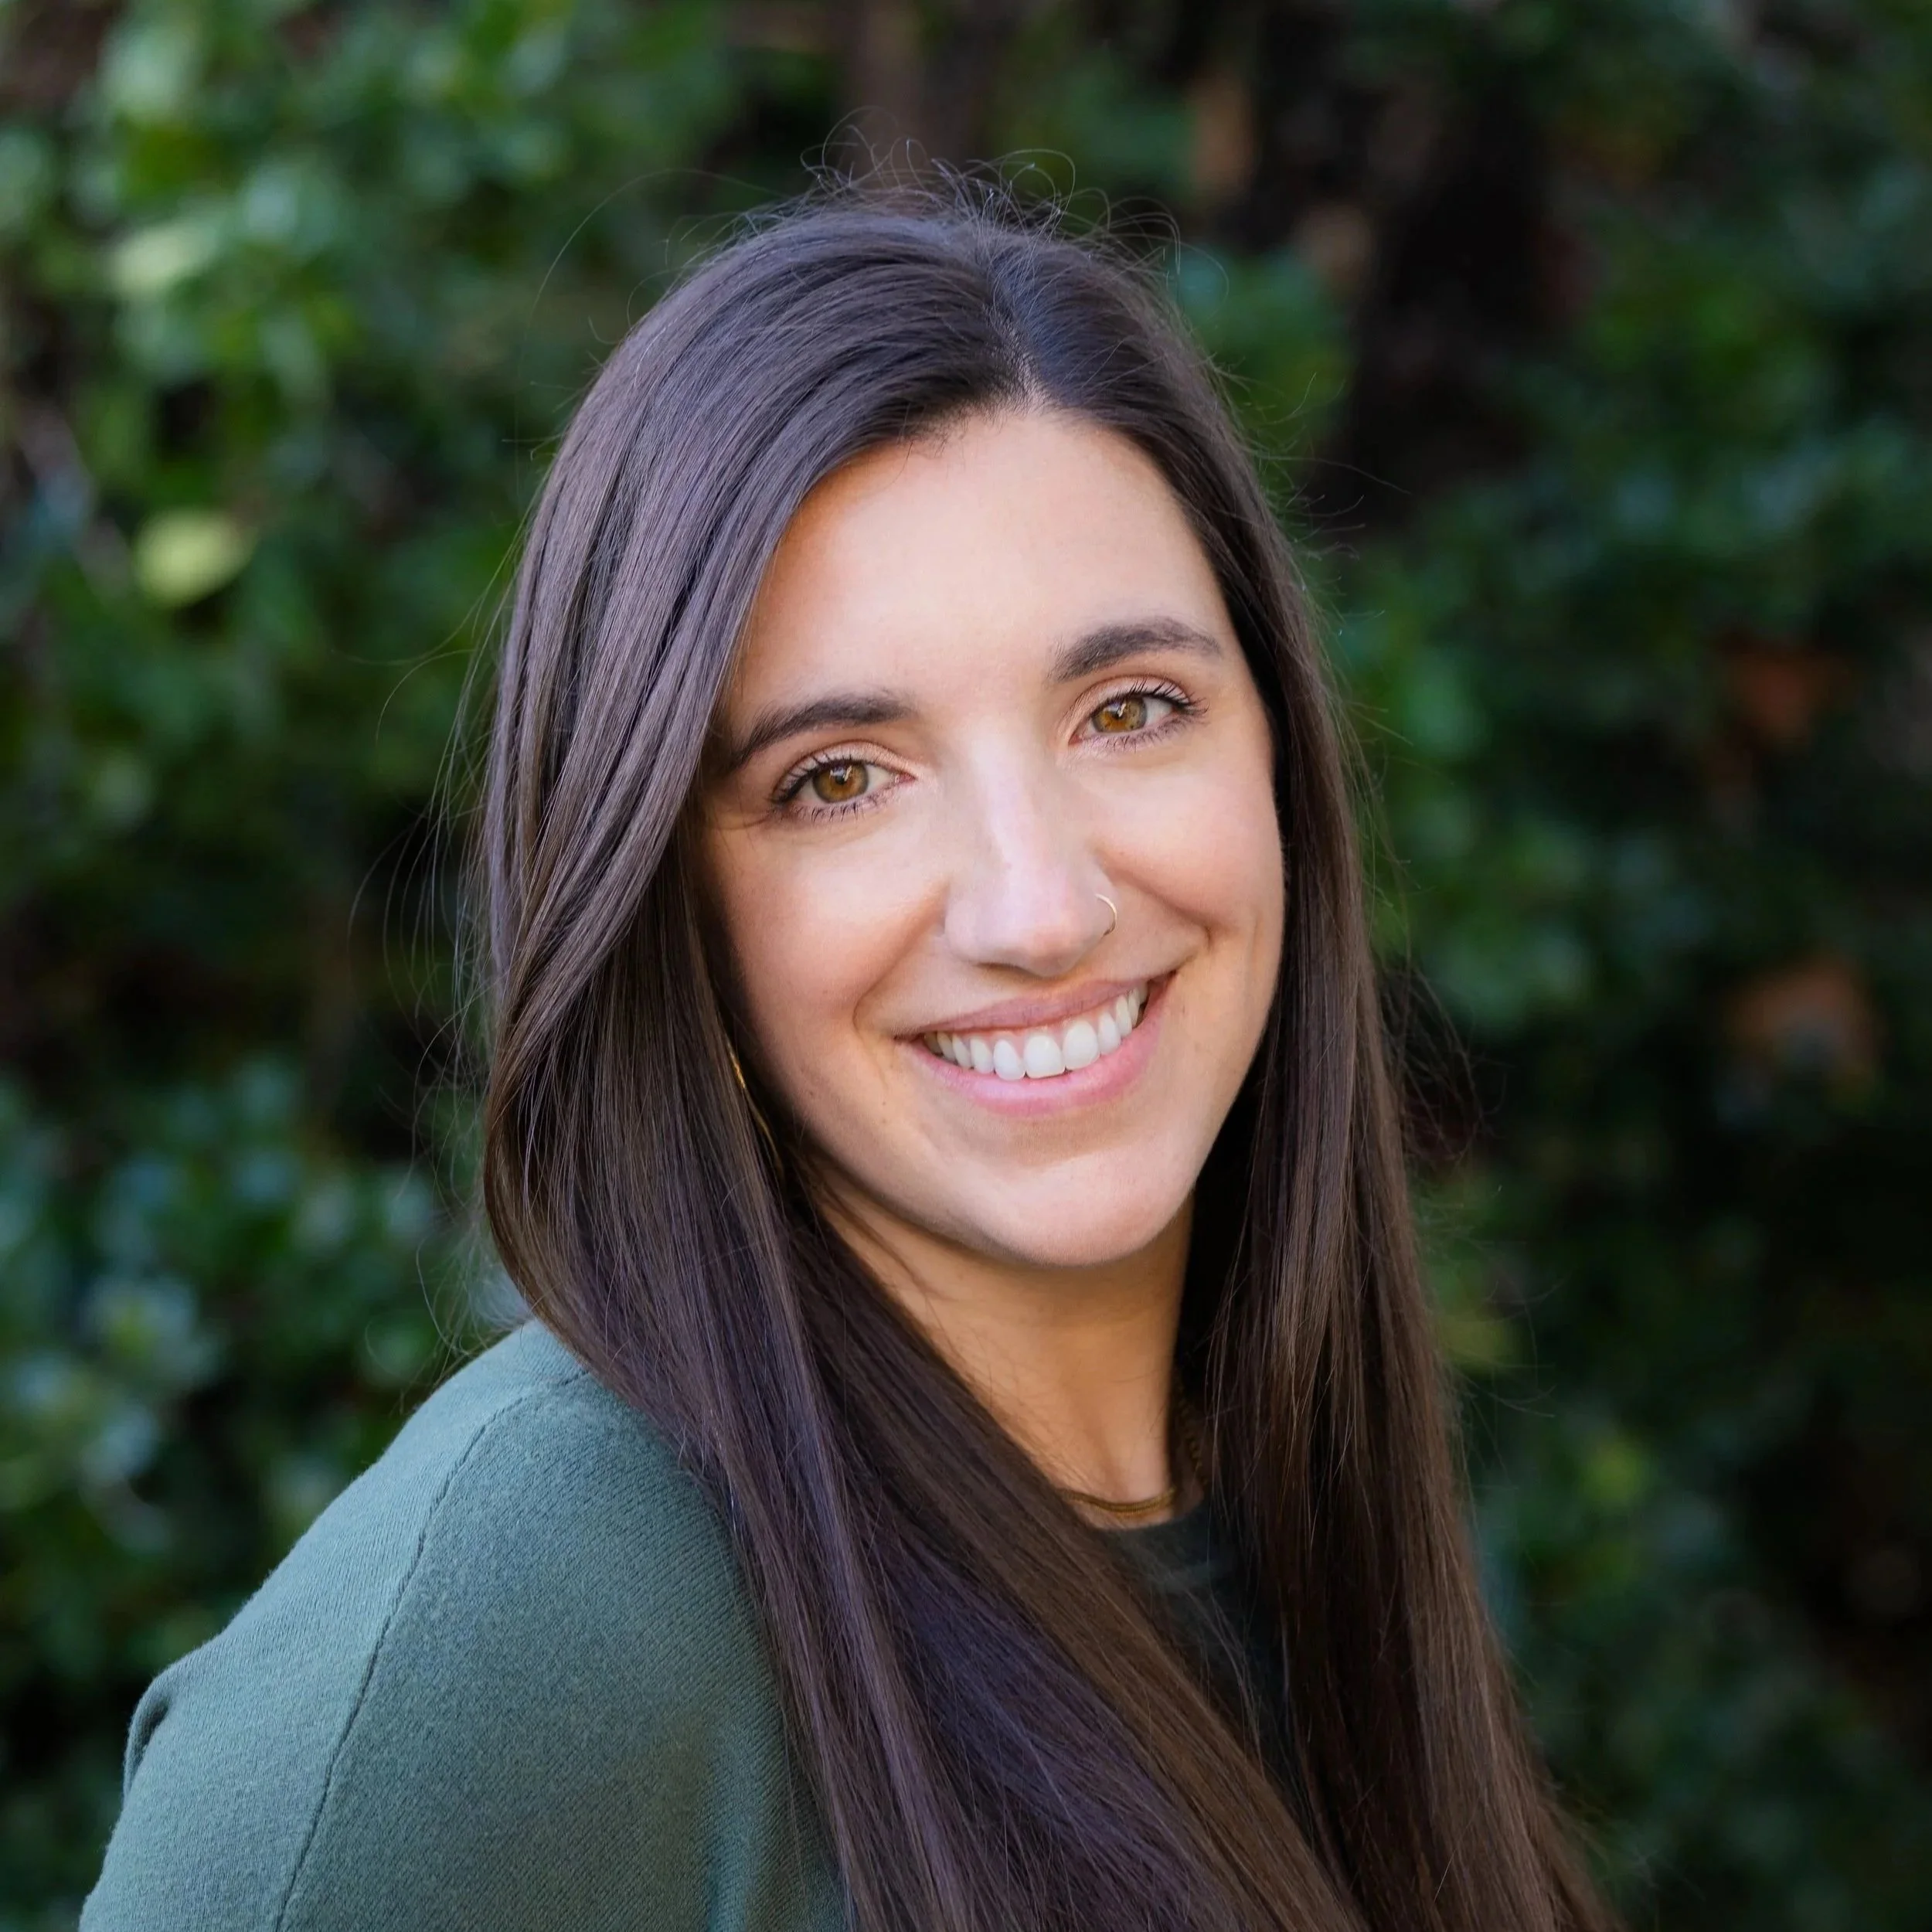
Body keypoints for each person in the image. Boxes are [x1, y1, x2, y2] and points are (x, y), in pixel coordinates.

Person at [83, 185, 1608, 1932]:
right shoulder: (525, 1610)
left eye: (1129, 709)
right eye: (839, 780)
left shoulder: (1294, 1521)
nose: (1040, 906)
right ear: (671, 907)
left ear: (1275, 753)